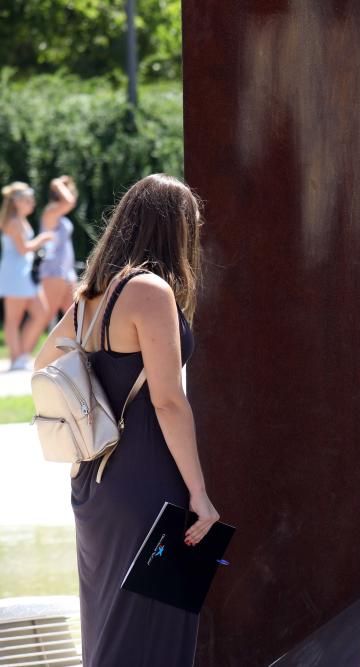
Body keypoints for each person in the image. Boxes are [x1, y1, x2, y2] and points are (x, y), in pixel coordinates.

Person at [34, 174, 219, 665]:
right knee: (155, 635)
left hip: (96, 484)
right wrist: (199, 493)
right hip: (148, 483)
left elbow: (41, 366)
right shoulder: (150, 290)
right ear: (172, 229)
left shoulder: (90, 296)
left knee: (113, 630)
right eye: (191, 227)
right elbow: (169, 401)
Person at [0, 182, 54, 370]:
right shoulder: (13, 221)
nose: (32, 203)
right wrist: (42, 239)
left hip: (25, 274)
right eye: (28, 200)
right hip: (15, 274)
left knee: (41, 312)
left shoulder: (20, 220)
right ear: (17, 202)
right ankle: (17, 358)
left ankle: (21, 355)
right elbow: (23, 249)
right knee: (13, 319)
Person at [39, 176, 79, 322]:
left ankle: (72, 346)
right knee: (46, 316)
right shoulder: (50, 212)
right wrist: (56, 183)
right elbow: (70, 202)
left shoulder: (61, 217)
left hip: (67, 271)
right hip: (53, 270)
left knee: (76, 316)